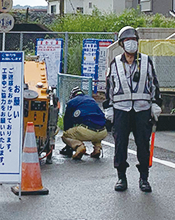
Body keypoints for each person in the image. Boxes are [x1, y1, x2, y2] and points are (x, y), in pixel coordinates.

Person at [104, 26, 162, 192]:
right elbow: (109, 86)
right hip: (121, 110)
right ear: (122, 44)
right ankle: (121, 177)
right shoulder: (115, 62)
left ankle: (144, 178)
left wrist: (156, 103)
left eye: (134, 40)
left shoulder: (146, 61)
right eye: (128, 41)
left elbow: (154, 84)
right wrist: (108, 107)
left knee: (143, 145)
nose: (131, 44)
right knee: (120, 145)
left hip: (142, 110)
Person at [60, 87, 107, 160]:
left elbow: (67, 123)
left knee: (65, 135)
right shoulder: (91, 100)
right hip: (103, 132)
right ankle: (97, 148)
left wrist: (69, 144)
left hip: (87, 131)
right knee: (96, 127)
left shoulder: (72, 102)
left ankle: (79, 146)